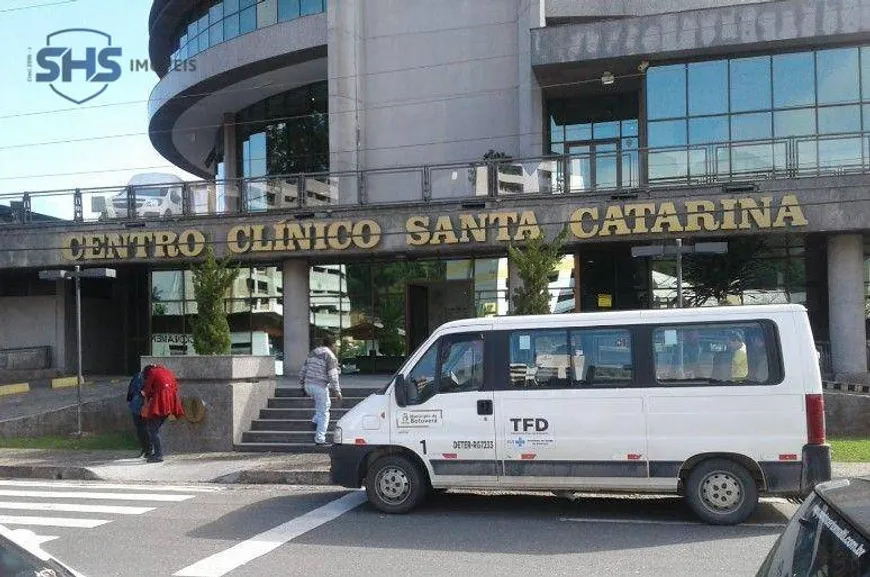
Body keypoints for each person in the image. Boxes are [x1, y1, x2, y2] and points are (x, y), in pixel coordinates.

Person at [299, 335, 343, 445]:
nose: (337, 348)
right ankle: (320, 439)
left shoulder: (313, 352)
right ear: (332, 345)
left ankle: (314, 422)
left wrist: (302, 384)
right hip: (319, 386)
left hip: (308, 385)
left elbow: (303, 369)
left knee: (323, 407)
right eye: (336, 345)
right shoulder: (330, 356)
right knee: (324, 413)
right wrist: (337, 391)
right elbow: (333, 376)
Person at [141, 364, 185, 463]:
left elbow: (147, 389)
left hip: (161, 402)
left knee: (153, 429)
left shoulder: (152, 372)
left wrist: (145, 395)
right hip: (171, 402)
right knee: (155, 428)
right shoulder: (168, 372)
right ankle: (157, 452)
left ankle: (158, 454)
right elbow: (175, 387)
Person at [125, 367, 152, 458]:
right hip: (141, 405)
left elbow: (131, 391)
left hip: (136, 405)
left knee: (141, 429)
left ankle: (146, 449)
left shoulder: (138, 376)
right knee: (144, 428)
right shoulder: (148, 378)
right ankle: (148, 450)